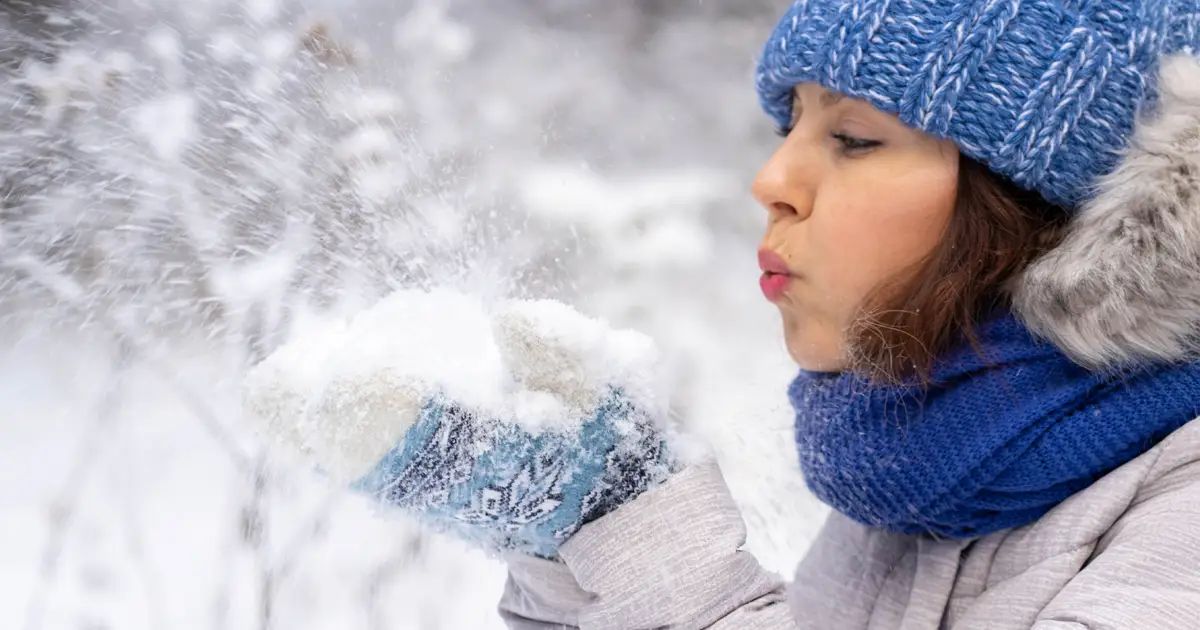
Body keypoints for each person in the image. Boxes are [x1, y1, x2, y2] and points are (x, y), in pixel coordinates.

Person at [245, 1, 1200, 628]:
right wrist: (575, 544)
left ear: (1057, 209)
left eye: (856, 138)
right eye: (792, 127)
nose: (774, 180)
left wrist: (654, 551)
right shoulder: (920, 482)